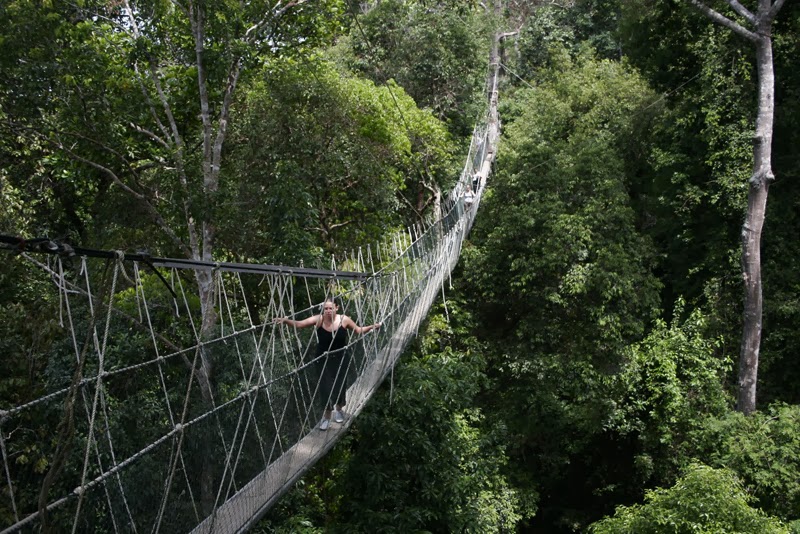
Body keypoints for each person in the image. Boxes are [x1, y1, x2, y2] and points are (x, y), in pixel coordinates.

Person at [275, 298, 381, 430]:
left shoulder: (344, 319)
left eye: (331, 308)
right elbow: (300, 324)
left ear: (336, 308)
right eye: (326, 308)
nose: (328, 311)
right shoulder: (319, 319)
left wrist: (372, 327)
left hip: (341, 358)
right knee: (325, 387)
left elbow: (358, 330)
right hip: (322, 359)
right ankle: (326, 416)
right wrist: (286, 321)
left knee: (340, 384)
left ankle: (339, 409)